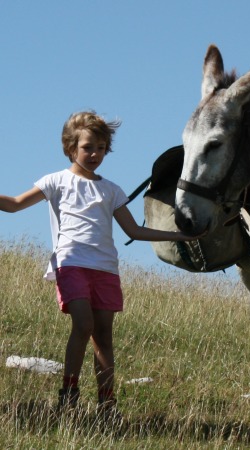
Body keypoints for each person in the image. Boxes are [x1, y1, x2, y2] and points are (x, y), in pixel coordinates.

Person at [0, 111, 202, 420]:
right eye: (87, 147)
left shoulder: (111, 190)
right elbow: (14, 205)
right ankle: (68, 397)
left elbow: (134, 231)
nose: (95, 154)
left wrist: (180, 236)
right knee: (83, 324)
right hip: (71, 264)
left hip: (106, 269)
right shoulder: (55, 181)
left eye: (101, 148)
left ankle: (107, 405)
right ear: (71, 147)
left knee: (103, 337)